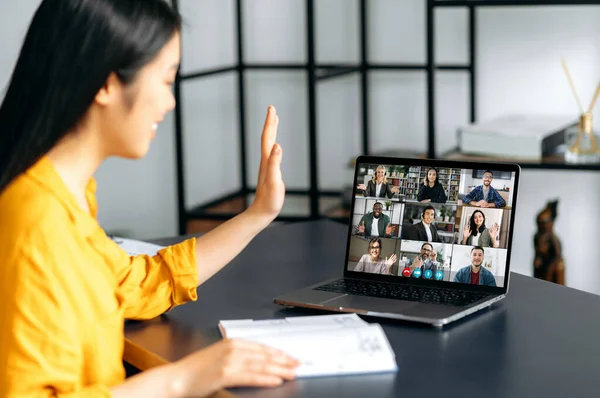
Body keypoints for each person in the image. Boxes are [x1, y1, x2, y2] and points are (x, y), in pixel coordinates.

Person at [0, 1, 299, 397]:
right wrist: (181, 379)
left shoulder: (65, 195)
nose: (170, 101)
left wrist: (257, 214)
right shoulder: (38, 221)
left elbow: (133, 284)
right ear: (106, 84)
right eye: (166, 80)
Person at [533, 200, 564, 284]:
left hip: (552, 265)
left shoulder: (554, 239)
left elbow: (557, 256)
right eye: (539, 223)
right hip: (542, 264)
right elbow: (537, 252)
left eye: (544, 223)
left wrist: (550, 269)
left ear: (551, 224)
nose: (541, 226)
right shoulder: (537, 236)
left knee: (558, 267)